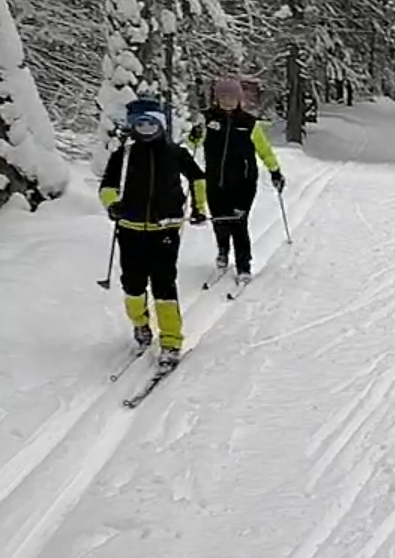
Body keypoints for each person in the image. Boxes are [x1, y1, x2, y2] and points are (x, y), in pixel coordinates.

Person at [101, 98, 211, 367]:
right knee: (133, 286)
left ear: (161, 124)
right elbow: (107, 186)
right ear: (133, 127)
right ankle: (140, 325)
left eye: (151, 122)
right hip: (130, 230)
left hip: (166, 229)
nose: (146, 128)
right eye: (140, 123)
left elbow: (197, 178)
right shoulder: (124, 155)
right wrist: (112, 204)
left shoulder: (175, 153)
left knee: (164, 285)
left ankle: (171, 340)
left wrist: (199, 207)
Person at [188, 76, 285, 286]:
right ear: (216, 98)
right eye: (223, 96)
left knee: (239, 225)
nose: (227, 100)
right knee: (220, 222)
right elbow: (193, 141)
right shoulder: (207, 118)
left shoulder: (248, 123)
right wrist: (195, 134)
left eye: (231, 96)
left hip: (243, 183)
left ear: (238, 98)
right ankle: (222, 252)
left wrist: (275, 171)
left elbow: (264, 150)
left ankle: (243, 265)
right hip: (215, 181)